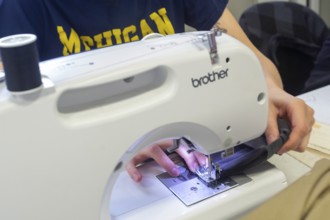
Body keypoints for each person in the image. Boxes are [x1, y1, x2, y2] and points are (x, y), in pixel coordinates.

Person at [0, 0, 314, 182]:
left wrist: (269, 90)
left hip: (169, 158)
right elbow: (12, 133)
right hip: (83, 173)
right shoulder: (18, 8)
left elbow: (254, 62)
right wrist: (109, 144)